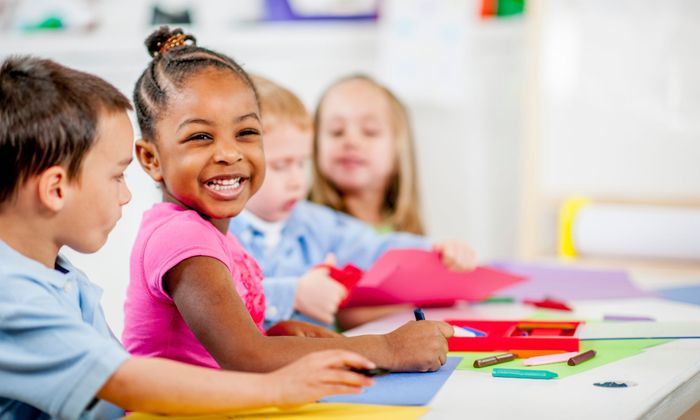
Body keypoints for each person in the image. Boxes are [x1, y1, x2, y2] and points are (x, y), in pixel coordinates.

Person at [0, 55, 375, 419]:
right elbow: (123, 381)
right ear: (56, 189)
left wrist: (274, 338)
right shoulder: (11, 296)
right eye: (117, 177)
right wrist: (279, 387)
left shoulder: (60, 278)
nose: (126, 195)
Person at [123, 26, 453, 374]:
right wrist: (387, 348)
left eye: (246, 132)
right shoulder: (183, 239)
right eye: (200, 136)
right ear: (151, 159)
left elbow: (233, 346)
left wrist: (279, 334)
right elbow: (247, 357)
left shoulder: (215, 235)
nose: (229, 153)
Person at [232, 75, 476, 329]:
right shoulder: (220, 231)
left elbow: (375, 248)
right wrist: (293, 294)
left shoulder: (315, 222)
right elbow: (217, 298)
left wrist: (437, 251)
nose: (297, 181)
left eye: (302, 163)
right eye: (281, 166)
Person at [310, 74, 425, 234]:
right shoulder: (304, 230)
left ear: (399, 149)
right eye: (336, 131)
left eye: (370, 131)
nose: (351, 141)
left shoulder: (408, 240)